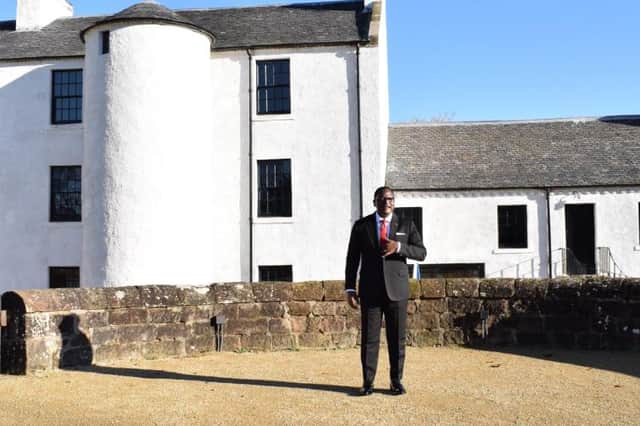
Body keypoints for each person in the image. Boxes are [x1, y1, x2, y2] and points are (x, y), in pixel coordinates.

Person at [345, 186, 426, 396]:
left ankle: (396, 381)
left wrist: (398, 247)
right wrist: (350, 288)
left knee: (396, 339)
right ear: (374, 202)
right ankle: (367, 382)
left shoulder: (406, 224)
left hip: (397, 291)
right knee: (369, 339)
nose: (386, 202)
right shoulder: (362, 226)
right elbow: (352, 259)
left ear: (394, 202)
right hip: (370, 291)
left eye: (390, 199)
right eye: (381, 199)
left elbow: (421, 252)